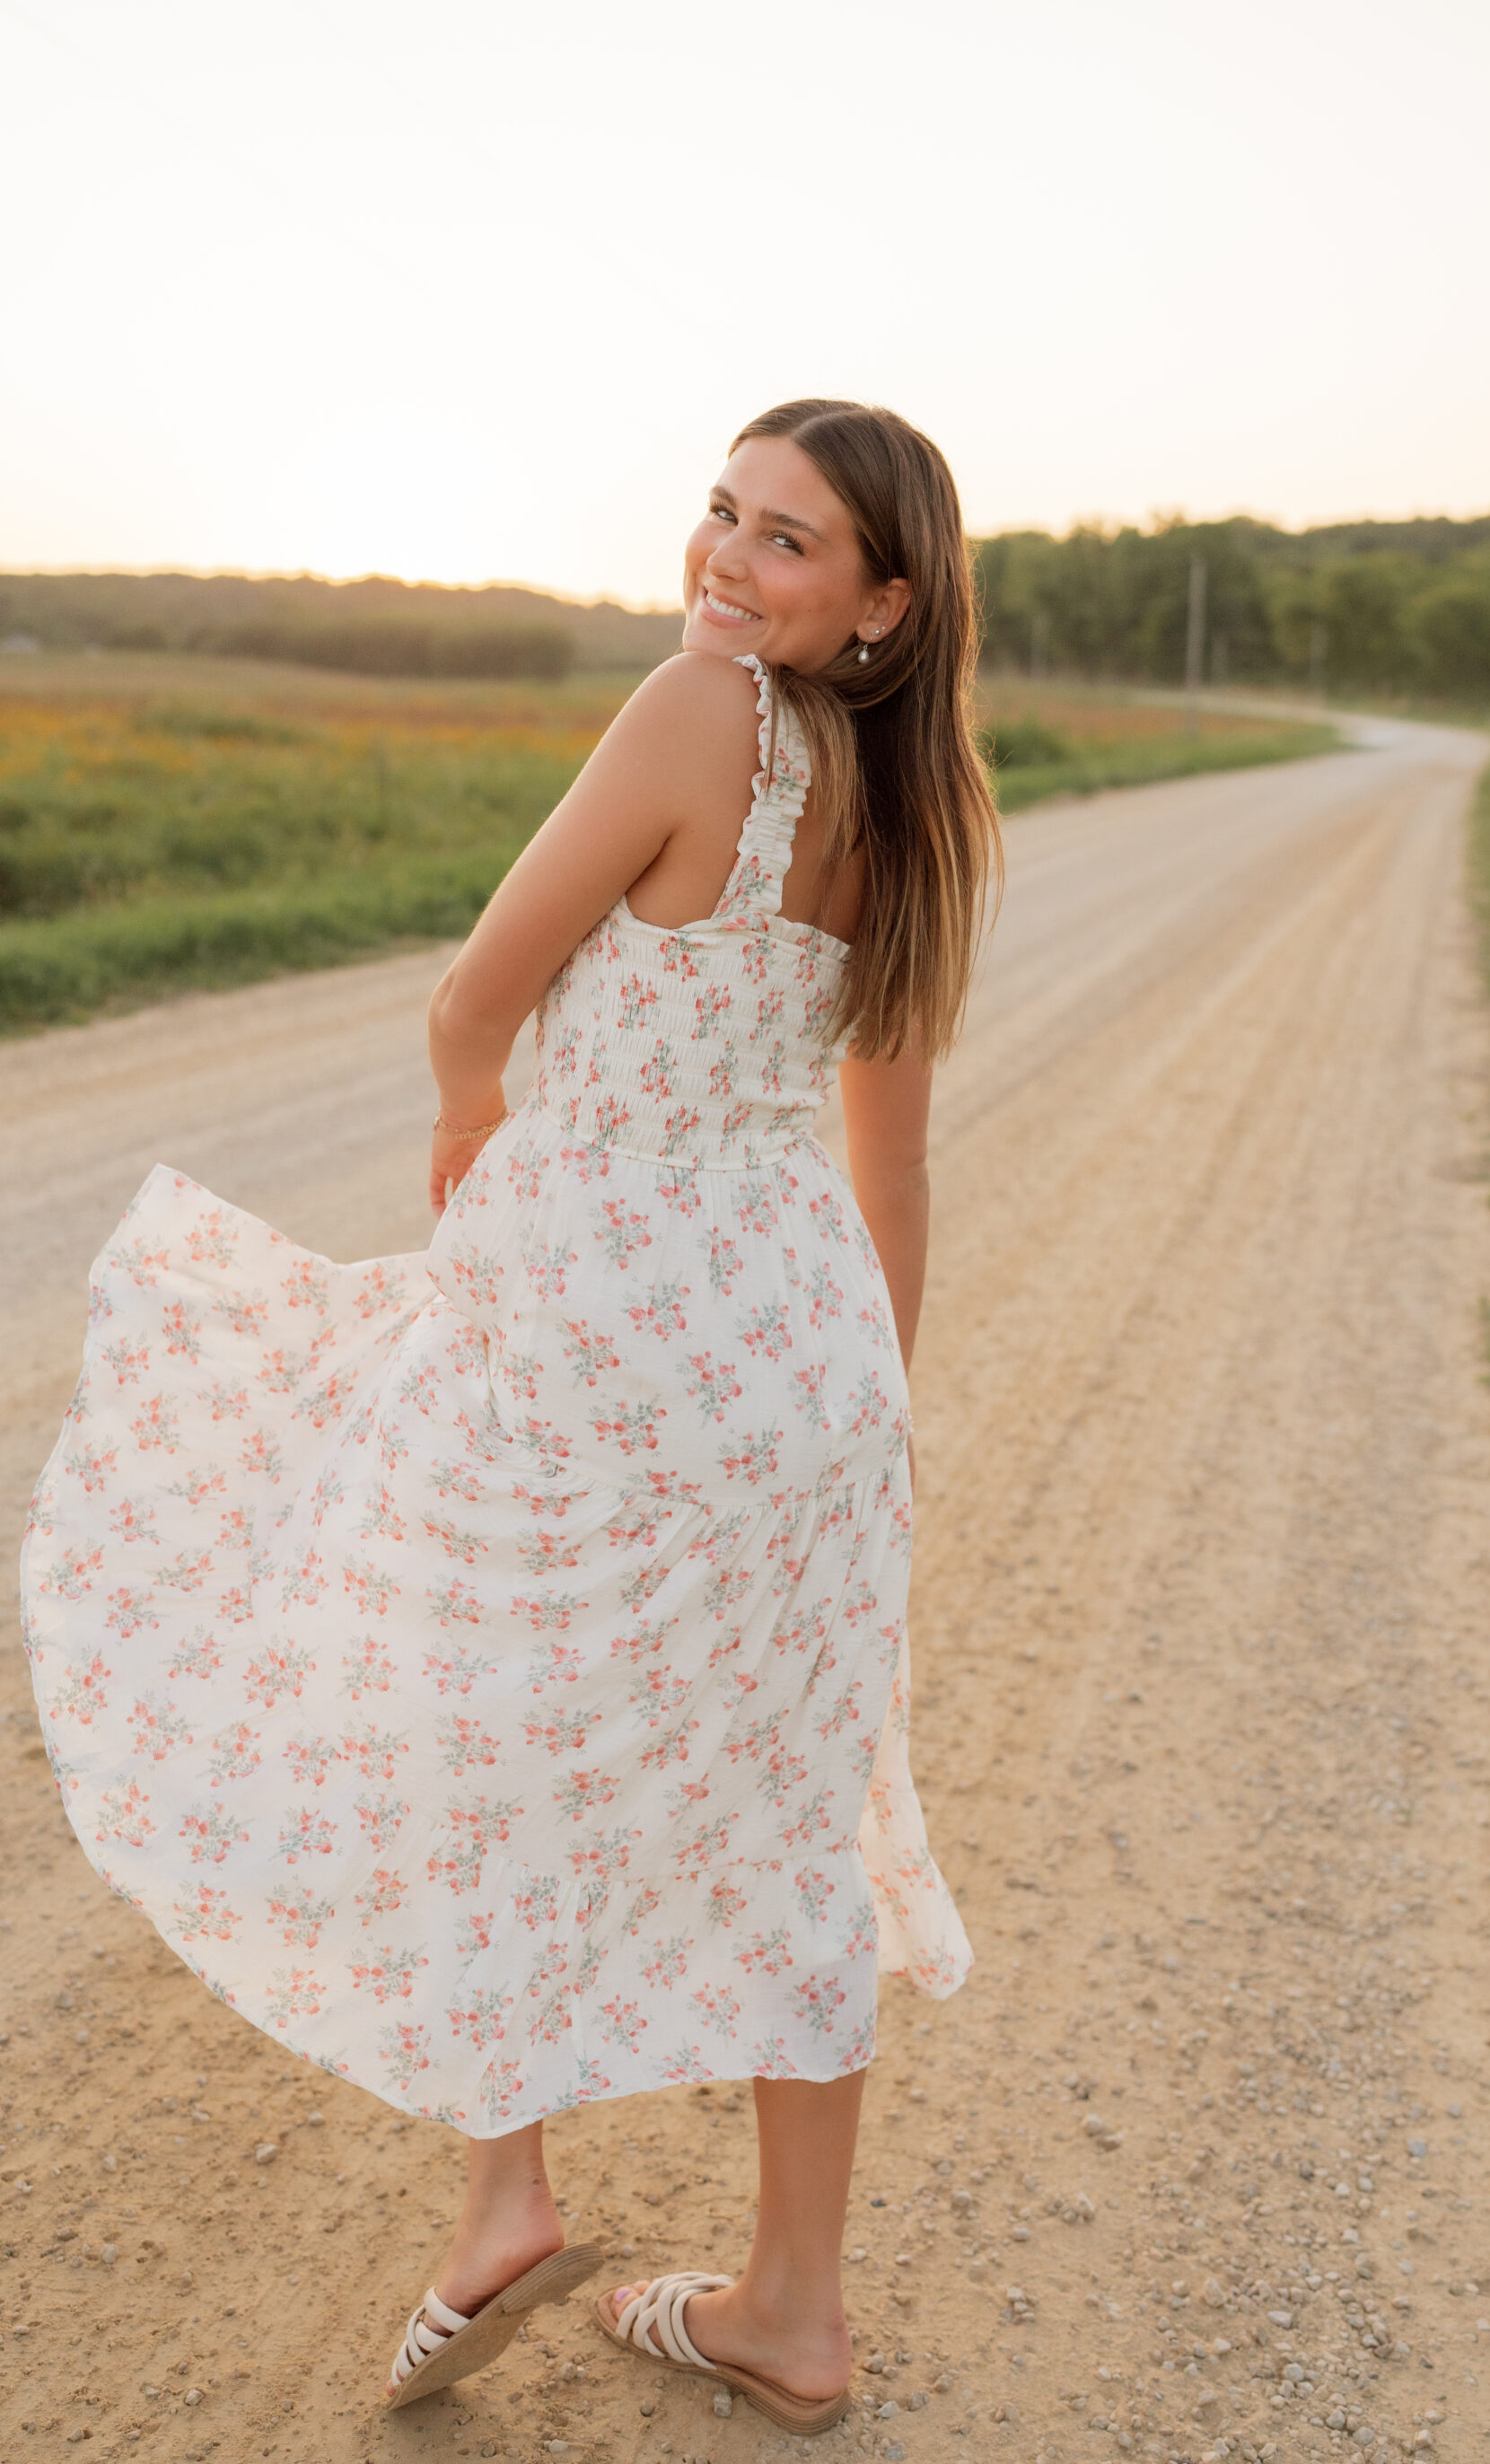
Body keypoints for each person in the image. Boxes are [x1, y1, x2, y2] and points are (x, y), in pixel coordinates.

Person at [20, 399, 1000, 2428]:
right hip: (804, 1370)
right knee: (796, 1808)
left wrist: (476, 1124)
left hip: (595, 1326)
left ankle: (506, 2201)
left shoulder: (692, 710)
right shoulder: (921, 808)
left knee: (468, 1722)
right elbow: (888, 1173)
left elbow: (475, 997)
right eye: (723, 513)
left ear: (882, 601)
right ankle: (792, 2312)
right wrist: (869, 1426)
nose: (726, 561)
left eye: (787, 540)